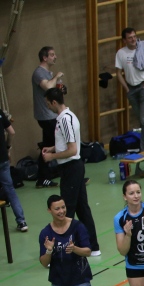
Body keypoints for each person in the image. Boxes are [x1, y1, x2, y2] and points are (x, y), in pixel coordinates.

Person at [41, 88, 101, 256]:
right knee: (82, 208)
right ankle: (93, 247)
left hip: (71, 168)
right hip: (73, 168)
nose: (47, 106)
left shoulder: (65, 120)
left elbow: (72, 149)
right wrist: (53, 148)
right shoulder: (66, 117)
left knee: (65, 210)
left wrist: (52, 156)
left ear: (54, 102)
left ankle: (62, 250)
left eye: (48, 103)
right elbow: (67, 142)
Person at [115, 28, 144, 152]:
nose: (133, 39)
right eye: (130, 37)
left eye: (134, 36)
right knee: (143, 121)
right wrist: (126, 88)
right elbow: (118, 73)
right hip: (131, 89)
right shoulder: (121, 53)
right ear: (124, 40)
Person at [31, 46, 61, 189]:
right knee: (61, 144)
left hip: (51, 114)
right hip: (46, 116)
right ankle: (67, 173)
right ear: (44, 57)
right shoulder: (39, 73)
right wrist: (56, 77)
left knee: (47, 146)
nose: (55, 57)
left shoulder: (48, 73)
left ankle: (42, 179)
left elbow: (52, 91)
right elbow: (48, 87)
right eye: (52, 55)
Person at [0, 108, 27, 231]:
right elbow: (11, 132)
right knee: (10, 189)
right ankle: (22, 222)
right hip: (3, 158)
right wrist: (7, 147)